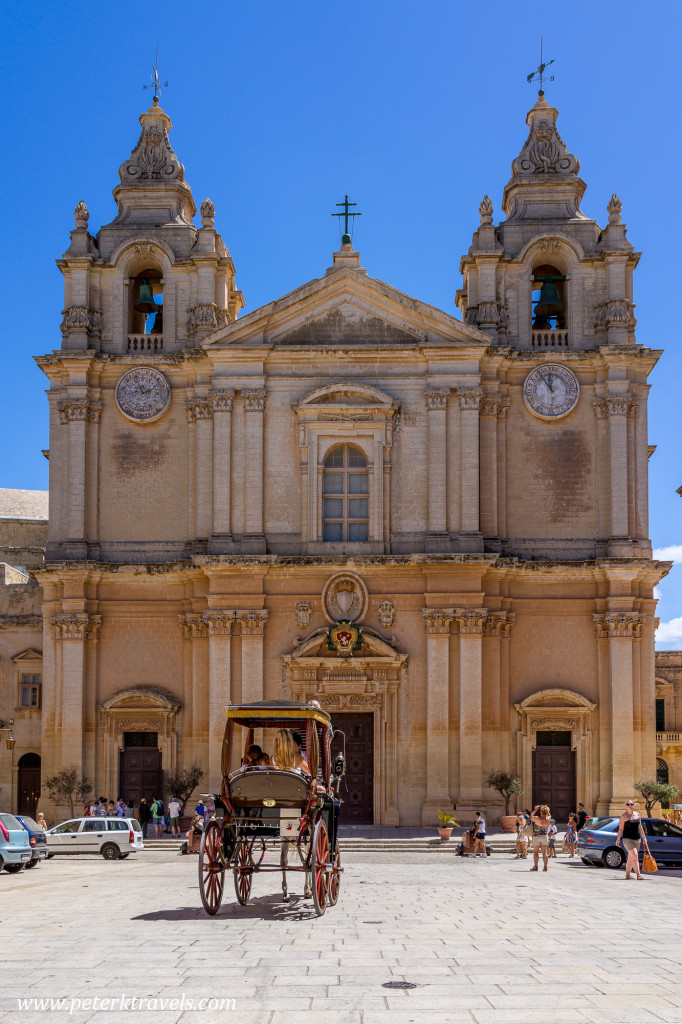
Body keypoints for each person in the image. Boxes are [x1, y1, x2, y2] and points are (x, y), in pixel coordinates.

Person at [616, 798, 647, 880]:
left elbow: (640, 827)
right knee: (635, 856)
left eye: (631, 804)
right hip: (627, 839)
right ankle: (638, 875)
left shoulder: (637, 815)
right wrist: (618, 839)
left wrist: (644, 838)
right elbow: (620, 829)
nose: (630, 806)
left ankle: (627, 874)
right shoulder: (623, 816)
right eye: (628, 804)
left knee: (631, 858)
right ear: (626, 806)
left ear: (633, 806)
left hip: (637, 839)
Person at [530, 804, 552, 872]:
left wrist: (535, 810)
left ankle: (535, 866)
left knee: (536, 852)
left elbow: (531, 817)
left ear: (540, 812)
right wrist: (547, 811)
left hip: (536, 836)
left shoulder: (537, 818)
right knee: (544, 853)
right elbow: (549, 815)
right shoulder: (548, 819)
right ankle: (545, 867)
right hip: (544, 837)